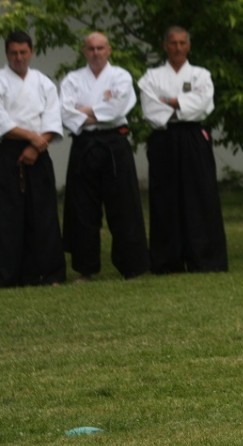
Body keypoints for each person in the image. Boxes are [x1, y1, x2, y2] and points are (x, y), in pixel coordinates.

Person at [60, 31, 150, 282]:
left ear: (109, 50)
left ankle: (131, 266)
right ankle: (85, 268)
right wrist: (98, 112)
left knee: (124, 205)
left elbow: (119, 109)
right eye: (91, 48)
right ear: (84, 51)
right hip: (84, 143)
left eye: (100, 48)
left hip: (114, 143)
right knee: (82, 208)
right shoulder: (72, 79)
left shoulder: (120, 76)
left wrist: (86, 110)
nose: (96, 53)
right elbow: (65, 112)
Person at [138, 26, 227, 274]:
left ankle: (204, 258)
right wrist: (184, 103)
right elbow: (150, 109)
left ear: (188, 46)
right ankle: (167, 261)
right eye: (173, 43)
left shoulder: (201, 75)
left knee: (200, 196)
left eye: (182, 43)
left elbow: (204, 105)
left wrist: (173, 102)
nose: (177, 48)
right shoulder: (151, 77)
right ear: (165, 46)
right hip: (163, 137)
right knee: (165, 197)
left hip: (193, 136)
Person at [0, 30, 66, 288]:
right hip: (7, 150)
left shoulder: (43, 82)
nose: (18, 57)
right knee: (8, 214)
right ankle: (9, 275)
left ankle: (48, 273)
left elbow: (52, 118)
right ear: (7, 54)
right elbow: (2, 119)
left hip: (39, 151)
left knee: (44, 212)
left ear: (31, 52)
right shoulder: (1, 80)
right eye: (13, 53)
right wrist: (29, 137)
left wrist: (37, 146)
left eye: (23, 52)